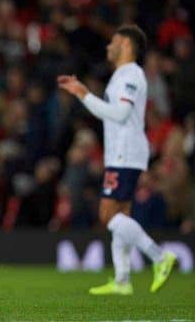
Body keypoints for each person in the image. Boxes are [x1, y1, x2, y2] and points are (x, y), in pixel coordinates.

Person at [57, 24, 177, 295]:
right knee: (121, 215)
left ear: (126, 45)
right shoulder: (123, 74)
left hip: (125, 152)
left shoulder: (131, 75)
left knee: (107, 214)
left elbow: (120, 114)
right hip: (122, 152)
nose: (109, 46)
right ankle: (123, 280)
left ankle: (160, 256)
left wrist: (82, 94)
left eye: (114, 42)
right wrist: (84, 92)